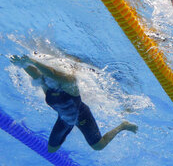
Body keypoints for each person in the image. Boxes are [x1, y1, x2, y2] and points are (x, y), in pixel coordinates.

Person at [8, 54, 138, 152]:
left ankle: (123, 126)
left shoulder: (70, 84)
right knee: (51, 150)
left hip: (82, 116)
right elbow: (36, 75)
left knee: (98, 146)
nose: (46, 78)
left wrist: (33, 61)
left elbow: (53, 73)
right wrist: (22, 64)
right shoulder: (48, 86)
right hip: (64, 119)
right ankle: (69, 126)